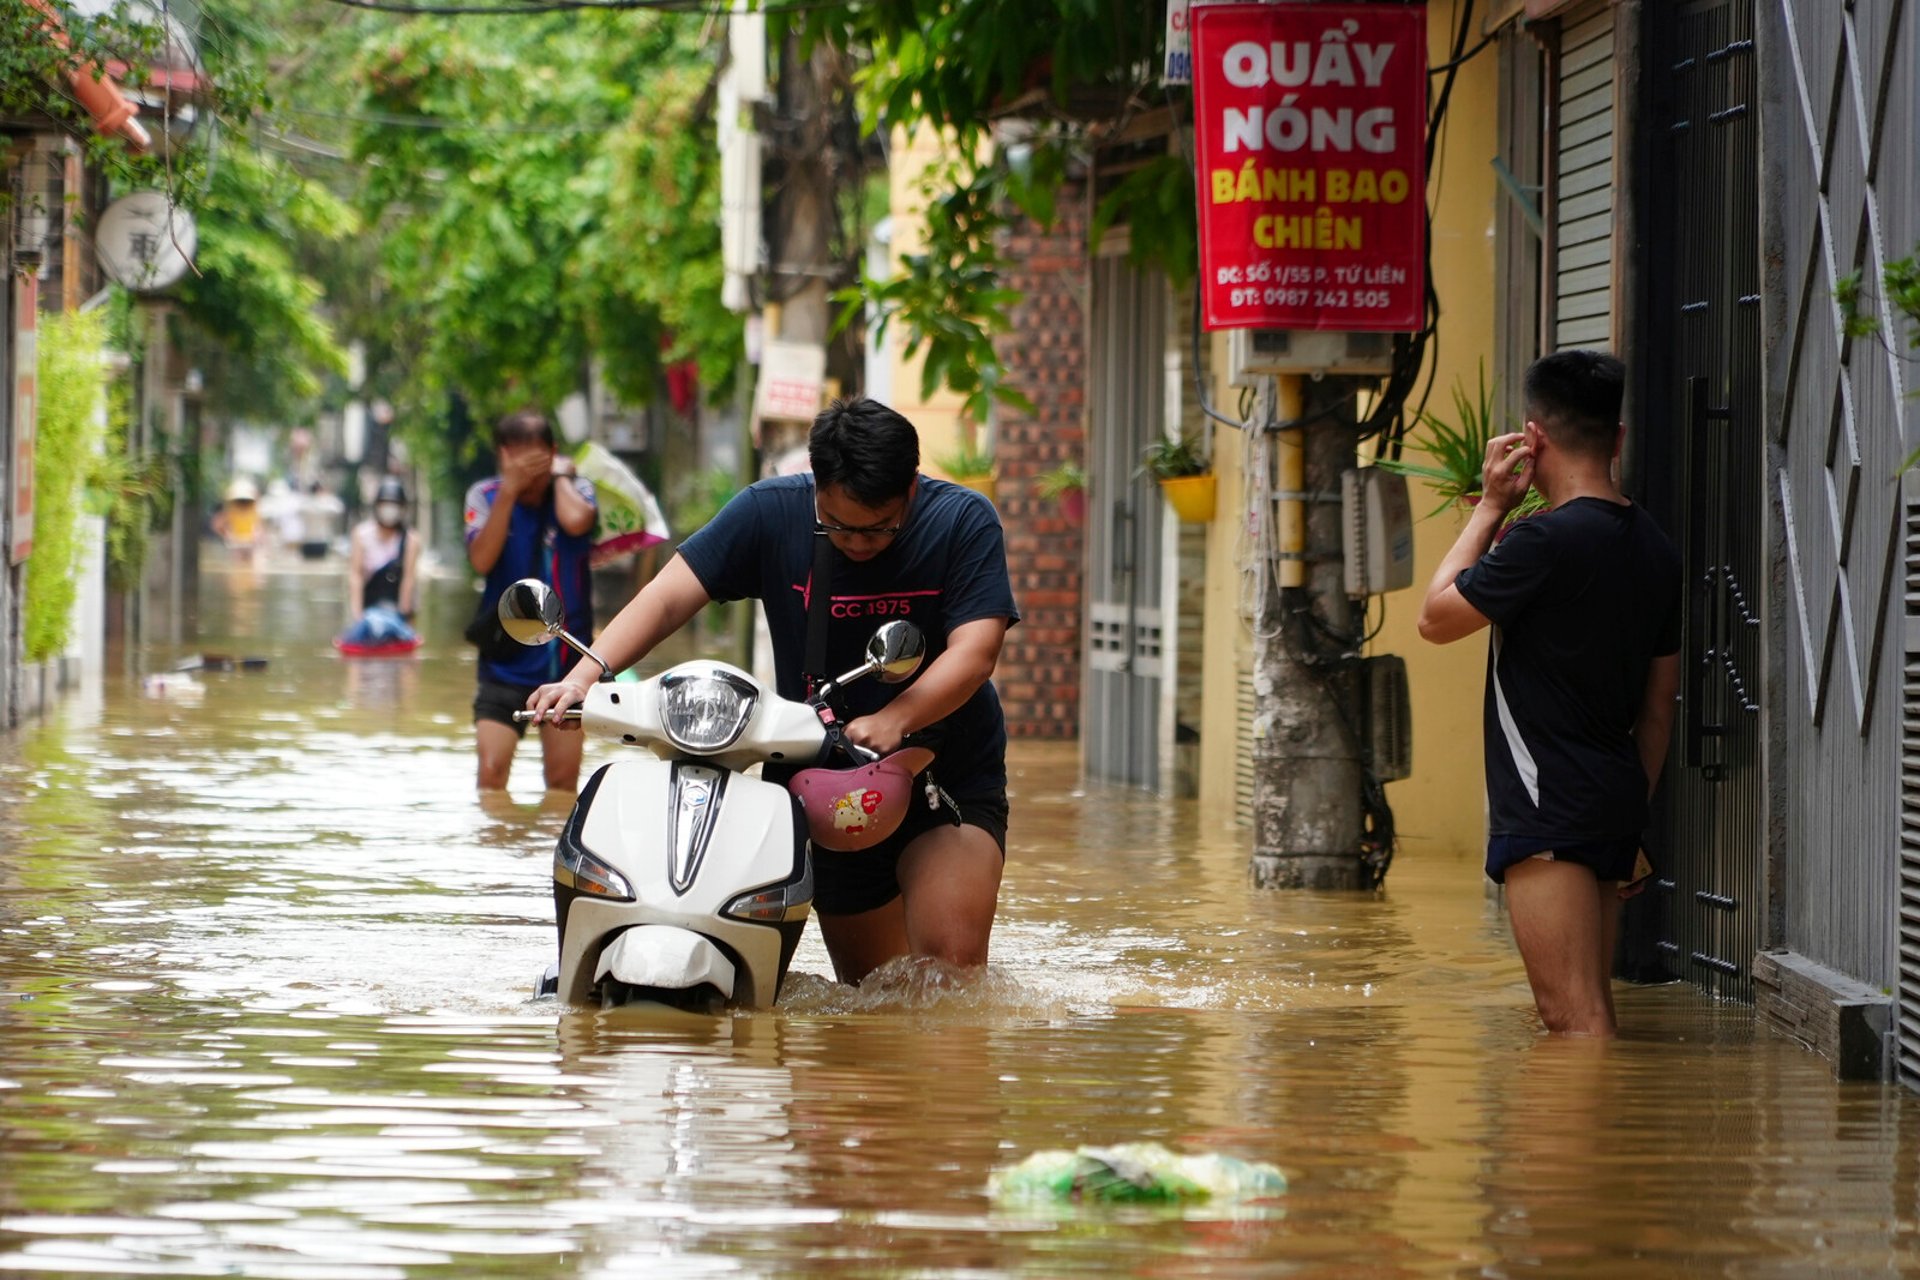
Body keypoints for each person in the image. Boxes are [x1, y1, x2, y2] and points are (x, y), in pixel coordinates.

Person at [524, 397, 1019, 985]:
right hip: (822, 780)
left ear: (912, 488)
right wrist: (585, 674)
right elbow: (667, 596)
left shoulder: (963, 521)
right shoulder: (770, 512)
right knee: (872, 998)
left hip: (942, 768)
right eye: (838, 526)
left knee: (947, 976)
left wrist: (897, 716)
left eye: (879, 527)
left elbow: (976, 651)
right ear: (816, 486)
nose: (858, 543)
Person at [1415, 350, 1681, 1037]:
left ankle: (1567, 1145)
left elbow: (1434, 618)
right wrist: (1630, 812)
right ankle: (1590, 1142)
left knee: (1571, 1019)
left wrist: (1492, 507)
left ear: (1533, 438)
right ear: (1616, 437)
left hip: (1547, 807)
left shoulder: (1541, 542)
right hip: (1613, 800)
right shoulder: (1655, 546)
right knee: (1592, 1011)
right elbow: (1659, 703)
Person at [466, 410, 599, 793]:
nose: (528, 470)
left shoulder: (577, 490)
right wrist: (510, 490)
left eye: (537, 459)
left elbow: (577, 522)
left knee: (561, 784)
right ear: (503, 456)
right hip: (504, 661)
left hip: (566, 664)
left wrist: (558, 477)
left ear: (553, 453)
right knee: (491, 776)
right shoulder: (486, 496)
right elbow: (481, 559)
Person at [340, 476, 421, 650]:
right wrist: (357, 615)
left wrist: (404, 619)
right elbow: (356, 576)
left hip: (396, 610)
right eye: (385, 503)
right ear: (377, 505)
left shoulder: (410, 539)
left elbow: (408, 580)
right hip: (368, 608)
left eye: (394, 504)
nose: (389, 509)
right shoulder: (361, 535)